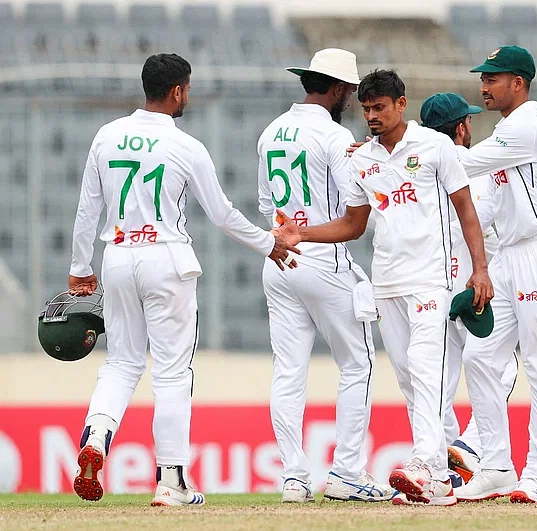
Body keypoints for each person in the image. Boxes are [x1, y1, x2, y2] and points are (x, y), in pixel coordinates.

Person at [68, 53, 299, 506]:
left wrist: (80, 268)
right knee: (172, 373)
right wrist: (268, 243)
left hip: (117, 258)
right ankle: (171, 481)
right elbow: (222, 215)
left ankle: (97, 436)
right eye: (187, 90)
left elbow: (86, 208)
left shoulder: (106, 135)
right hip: (167, 261)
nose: (187, 97)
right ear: (177, 91)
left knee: (121, 363)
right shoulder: (186, 146)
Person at [275, 69, 492, 506]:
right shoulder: (361, 160)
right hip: (387, 282)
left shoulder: (435, 147)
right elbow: (354, 225)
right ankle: (440, 482)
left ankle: (422, 462)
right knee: (411, 379)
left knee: (425, 366)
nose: (371, 116)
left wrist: (479, 270)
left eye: (379, 108)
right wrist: (304, 234)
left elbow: (466, 209)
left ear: (401, 104)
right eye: (366, 109)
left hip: (432, 278)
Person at [256, 48, 392, 503]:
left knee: (288, 372)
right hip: (322, 259)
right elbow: (353, 225)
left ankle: (294, 476)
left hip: (278, 262)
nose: (352, 100)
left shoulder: (270, 133)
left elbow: (267, 210)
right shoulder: (335, 138)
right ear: (338, 90)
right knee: (358, 364)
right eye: (350, 92)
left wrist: (290, 235)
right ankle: (347, 472)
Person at [451, 46, 537, 504]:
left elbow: (461, 163)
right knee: (479, 359)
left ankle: (536, 478)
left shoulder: (528, 127)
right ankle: (498, 466)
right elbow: (487, 209)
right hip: (508, 258)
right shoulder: (508, 128)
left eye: (493, 78)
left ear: (518, 84)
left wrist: (395, 151)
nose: (484, 86)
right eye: (484, 78)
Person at [418, 92, 519, 485]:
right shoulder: (474, 171)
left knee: (439, 379)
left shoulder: (414, 170)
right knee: (499, 367)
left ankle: (441, 466)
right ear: (461, 128)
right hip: (475, 291)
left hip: (429, 289)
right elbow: (484, 220)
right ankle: (470, 446)